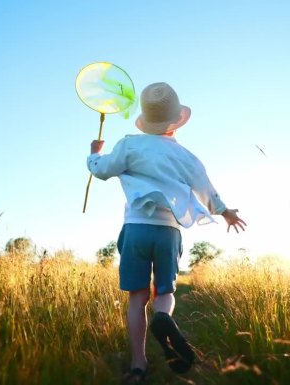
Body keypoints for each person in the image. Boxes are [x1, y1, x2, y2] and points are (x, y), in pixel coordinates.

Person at [87, 82, 246, 383]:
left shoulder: (129, 145)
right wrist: (225, 212)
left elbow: (102, 170)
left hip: (136, 229)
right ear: (175, 123)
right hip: (168, 232)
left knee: (137, 298)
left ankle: (138, 365)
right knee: (165, 292)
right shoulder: (185, 155)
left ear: (146, 121)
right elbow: (205, 188)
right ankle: (164, 317)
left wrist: (94, 154)